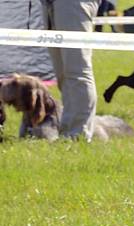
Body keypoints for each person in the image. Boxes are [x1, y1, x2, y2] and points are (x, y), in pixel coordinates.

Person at [41, 0, 100, 141]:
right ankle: (67, 132)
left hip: (73, 4)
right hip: (51, 4)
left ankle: (79, 134)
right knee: (63, 74)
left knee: (77, 71)